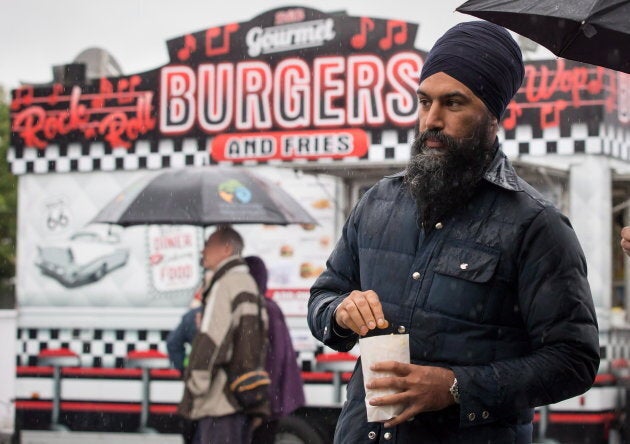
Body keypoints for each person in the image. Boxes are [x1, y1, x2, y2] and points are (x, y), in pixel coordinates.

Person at [308, 21, 600, 444]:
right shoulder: (377, 203)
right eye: (424, 102)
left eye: (453, 103)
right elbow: (323, 296)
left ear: (494, 117)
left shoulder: (537, 225)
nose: (432, 120)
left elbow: (574, 360)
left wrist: (455, 387)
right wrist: (338, 312)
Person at [177, 225, 269, 444]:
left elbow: (211, 340)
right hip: (243, 396)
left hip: (219, 401)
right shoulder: (247, 283)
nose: (202, 251)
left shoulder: (224, 284)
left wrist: (194, 384)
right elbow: (257, 341)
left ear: (227, 248)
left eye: (208, 244)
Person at [245, 255, 306, 444]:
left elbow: (274, 359)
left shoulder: (265, 309)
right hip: (270, 398)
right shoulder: (265, 307)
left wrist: (262, 405)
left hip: (268, 401)